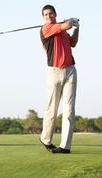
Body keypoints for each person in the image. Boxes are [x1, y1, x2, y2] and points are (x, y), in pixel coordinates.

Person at [39, 5, 79, 153]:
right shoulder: (46, 29)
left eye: (50, 13)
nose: (48, 16)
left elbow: (73, 42)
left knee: (69, 110)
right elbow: (67, 24)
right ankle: (46, 139)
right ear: (43, 17)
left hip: (70, 71)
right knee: (52, 109)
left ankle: (65, 146)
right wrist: (71, 21)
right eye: (45, 14)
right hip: (54, 72)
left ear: (55, 14)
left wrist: (77, 27)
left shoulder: (62, 31)